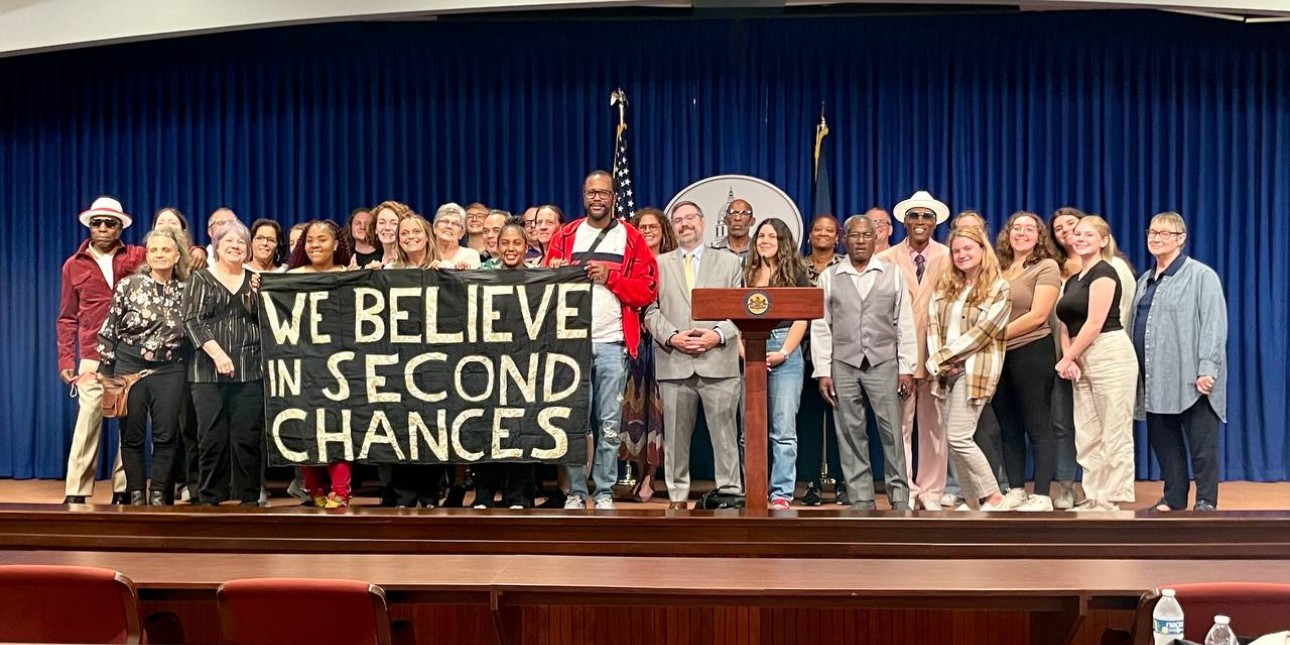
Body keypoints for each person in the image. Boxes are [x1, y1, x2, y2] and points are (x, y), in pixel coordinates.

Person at [546, 170, 659, 509]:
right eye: (591, 192)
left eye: (603, 193)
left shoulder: (631, 238)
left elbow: (647, 290)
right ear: (584, 196)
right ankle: (577, 492)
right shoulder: (565, 236)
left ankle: (605, 490)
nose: (597, 198)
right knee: (574, 421)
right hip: (571, 343)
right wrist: (555, 273)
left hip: (612, 342)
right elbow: (542, 288)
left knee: (609, 422)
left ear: (613, 197)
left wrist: (612, 278)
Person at [643, 200, 742, 510]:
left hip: (719, 362)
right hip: (675, 363)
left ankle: (729, 493)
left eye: (690, 218)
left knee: (726, 438)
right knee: (674, 439)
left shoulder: (729, 263)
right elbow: (649, 310)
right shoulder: (658, 264)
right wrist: (672, 337)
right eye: (679, 220)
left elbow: (742, 308)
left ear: (703, 221)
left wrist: (717, 335)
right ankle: (677, 496)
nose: (685, 224)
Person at [811, 216, 913, 511]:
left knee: (892, 432)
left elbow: (903, 323)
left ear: (875, 238)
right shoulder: (829, 277)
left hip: (883, 363)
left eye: (865, 235)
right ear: (844, 239)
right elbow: (821, 326)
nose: (859, 241)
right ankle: (861, 498)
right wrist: (823, 371)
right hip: (842, 363)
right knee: (849, 431)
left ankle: (900, 498)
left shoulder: (893, 274)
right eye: (854, 236)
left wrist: (906, 367)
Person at [1131, 212, 1227, 512]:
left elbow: (1214, 324)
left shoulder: (1201, 276)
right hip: (1153, 378)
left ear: (1181, 239)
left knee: (1201, 447)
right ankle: (1174, 497)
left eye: (1164, 233)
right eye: (1152, 232)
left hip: (1192, 377)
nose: (1156, 238)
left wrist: (1207, 368)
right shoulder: (1144, 280)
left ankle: (1206, 500)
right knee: (1164, 443)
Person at [58, 196, 145, 504]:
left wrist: (199, 251)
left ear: (120, 227)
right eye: (97, 223)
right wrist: (66, 358)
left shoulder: (137, 256)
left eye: (110, 223)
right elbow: (67, 317)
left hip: (130, 352)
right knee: (89, 418)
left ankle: (123, 489)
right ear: (89, 226)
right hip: (93, 354)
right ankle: (77, 491)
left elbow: (171, 253)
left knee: (127, 419)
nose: (104, 228)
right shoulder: (73, 265)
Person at [96, 226, 191, 506]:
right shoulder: (129, 285)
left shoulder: (188, 290)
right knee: (132, 434)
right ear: (146, 255)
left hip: (170, 368)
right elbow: (109, 329)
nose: (159, 255)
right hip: (129, 366)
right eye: (153, 250)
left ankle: (160, 494)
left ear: (176, 256)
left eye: (165, 250)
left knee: (167, 435)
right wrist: (106, 372)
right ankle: (137, 494)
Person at [1054, 216, 1138, 512]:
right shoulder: (1075, 278)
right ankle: (1093, 495)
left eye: (1088, 234)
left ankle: (1111, 497)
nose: (1080, 238)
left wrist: (1067, 357)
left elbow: (1095, 322)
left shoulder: (1106, 272)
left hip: (1109, 352)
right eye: (1077, 234)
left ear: (1103, 240)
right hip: (1081, 354)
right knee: (1088, 431)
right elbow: (1065, 322)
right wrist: (1071, 356)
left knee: (1113, 428)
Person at [926, 226, 1011, 511]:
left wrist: (943, 357)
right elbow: (933, 324)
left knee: (959, 436)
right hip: (947, 370)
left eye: (968, 249)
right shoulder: (948, 285)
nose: (961, 255)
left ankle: (993, 495)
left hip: (975, 369)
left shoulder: (999, 288)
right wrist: (940, 359)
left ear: (982, 250)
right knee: (954, 440)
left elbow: (984, 332)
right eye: (956, 250)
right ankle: (973, 499)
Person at [877, 190, 951, 510]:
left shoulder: (949, 257)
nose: (920, 221)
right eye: (914, 216)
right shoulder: (885, 260)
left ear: (934, 223)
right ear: (904, 221)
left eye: (926, 216)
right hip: (898, 357)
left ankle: (932, 492)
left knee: (935, 429)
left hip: (938, 355)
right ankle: (903, 490)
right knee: (899, 429)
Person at [182, 220, 264, 506]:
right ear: (216, 247)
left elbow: (266, 322)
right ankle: (210, 498)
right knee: (211, 439)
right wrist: (217, 354)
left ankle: (249, 498)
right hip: (206, 372)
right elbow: (192, 320)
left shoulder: (255, 279)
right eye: (228, 241)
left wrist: (258, 296)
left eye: (241, 242)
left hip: (250, 369)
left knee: (247, 439)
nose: (235, 246)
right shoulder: (201, 278)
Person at [992, 211, 1062, 511]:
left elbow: (1038, 315)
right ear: (1007, 233)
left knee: (1037, 424)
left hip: (1032, 351)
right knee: (1008, 426)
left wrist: (993, 335)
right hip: (998, 357)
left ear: (1039, 236)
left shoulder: (1046, 267)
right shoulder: (998, 268)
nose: (1021, 233)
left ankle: (1043, 494)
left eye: (1029, 229)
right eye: (1016, 228)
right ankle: (1017, 489)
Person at [286, 220, 354, 507]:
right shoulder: (289, 278)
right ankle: (313, 489)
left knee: (339, 428)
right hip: (302, 365)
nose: (315, 245)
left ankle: (341, 490)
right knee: (304, 428)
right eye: (310, 240)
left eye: (322, 239)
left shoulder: (350, 276)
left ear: (336, 244)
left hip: (341, 366)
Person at [742, 219, 809, 509]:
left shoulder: (796, 273)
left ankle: (780, 493)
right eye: (761, 235)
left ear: (783, 241)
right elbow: (731, 314)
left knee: (783, 429)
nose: (765, 240)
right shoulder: (746, 273)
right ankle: (752, 490)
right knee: (749, 430)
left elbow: (803, 317)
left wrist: (783, 352)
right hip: (750, 347)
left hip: (786, 350)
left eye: (772, 236)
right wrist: (745, 352)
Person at [473, 222, 540, 509]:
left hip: (526, 364)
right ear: (498, 247)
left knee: (521, 430)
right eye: (506, 243)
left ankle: (519, 496)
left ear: (526, 248)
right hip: (489, 363)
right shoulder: (482, 277)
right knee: (488, 429)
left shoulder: (540, 277)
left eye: (517, 243)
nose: (511, 248)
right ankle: (484, 495)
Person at [619, 207, 675, 502]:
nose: (648, 231)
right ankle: (639, 473)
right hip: (637, 344)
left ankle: (653, 478)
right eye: (642, 227)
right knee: (637, 414)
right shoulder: (631, 262)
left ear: (664, 230)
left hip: (667, 345)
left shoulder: (674, 263)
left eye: (654, 227)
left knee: (660, 415)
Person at [1047, 206, 1085, 508]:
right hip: (1059, 354)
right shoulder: (1052, 268)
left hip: (1095, 354)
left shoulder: (1107, 265)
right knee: (1062, 424)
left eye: (1071, 223)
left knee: (1095, 424)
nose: (1066, 230)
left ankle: (1100, 487)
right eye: (1059, 228)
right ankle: (1067, 486)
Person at [356, 200, 407, 269]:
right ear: (375, 229)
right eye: (382, 222)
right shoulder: (369, 263)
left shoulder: (410, 260)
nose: (387, 228)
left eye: (394, 223)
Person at [433, 202, 482, 269]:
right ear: (435, 227)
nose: (449, 226)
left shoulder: (471, 255)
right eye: (445, 221)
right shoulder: (425, 253)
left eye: (455, 223)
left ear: (462, 233)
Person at [803, 215, 843, 284]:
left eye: (829, 230)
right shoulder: (798, 266)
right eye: (818, 229)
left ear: (836, 238)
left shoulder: (845, 265)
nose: (823, 233)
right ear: (810, 235)